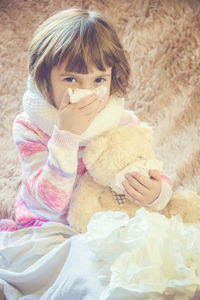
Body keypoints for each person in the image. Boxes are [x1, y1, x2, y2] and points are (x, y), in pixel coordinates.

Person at [1, 7, 172, 231]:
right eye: (71, 79)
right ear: (44, 80)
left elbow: (150, 169)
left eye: (99, 79)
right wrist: (66, 136)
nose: (87, 92)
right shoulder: (30, 127)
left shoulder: (121, 122)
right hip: (46, 226)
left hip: (101, 227)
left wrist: (156, 193)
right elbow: (52, 202)